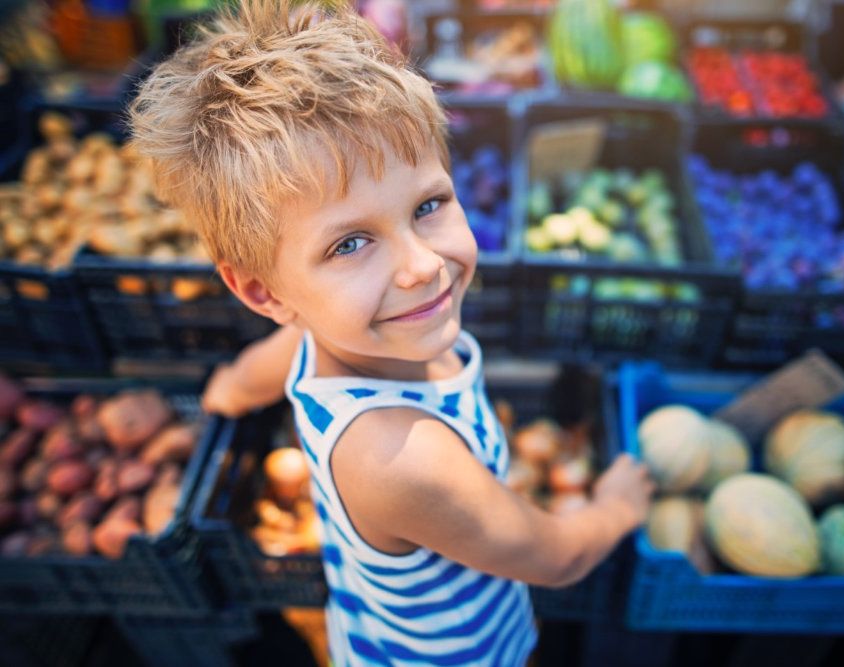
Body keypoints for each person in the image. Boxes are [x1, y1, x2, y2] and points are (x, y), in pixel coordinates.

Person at [127, 2, 654, 665]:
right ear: (264, 291)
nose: (422, 264)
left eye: (428, 205)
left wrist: (225, 391)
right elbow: (553, 556)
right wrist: (613, 508)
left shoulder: (321, 333)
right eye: (351, 243)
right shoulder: (401, 458)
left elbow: (259, 370)